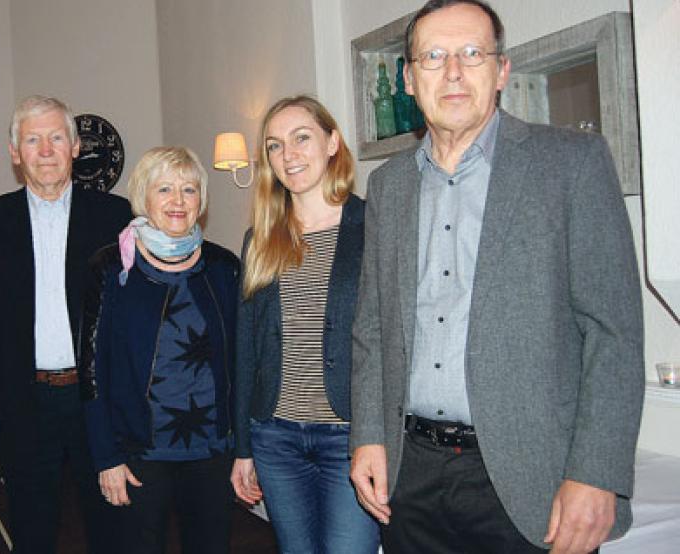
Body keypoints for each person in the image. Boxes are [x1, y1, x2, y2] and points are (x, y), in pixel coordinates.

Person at [348, 2, 644, 553]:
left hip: (535, 479)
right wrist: (368, 436)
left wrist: (598, 472)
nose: (453, 71)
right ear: (410, 79)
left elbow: (615, 333)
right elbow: (372, 328)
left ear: (502, 70)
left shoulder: (571, 163)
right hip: (411, 477)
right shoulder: (388, 188)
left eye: (471, 53)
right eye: (433, 56)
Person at [0, 95, 131, 553]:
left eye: (57, 137)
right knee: (33, 533)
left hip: (96, 400)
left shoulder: (117, 216)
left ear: (75, 146)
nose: (46, 149)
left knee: (112, 529)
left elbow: (132, 319)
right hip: (24, 405)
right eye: (32, 140)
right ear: (15, 152)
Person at [230, 95, 380, 553]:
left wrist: (383, 438)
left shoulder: (372, 224)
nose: (288, 155)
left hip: (350, 436)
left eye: (301, 138)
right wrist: (242, 447)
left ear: (332, 142)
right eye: (274, 146)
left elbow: (390, 338)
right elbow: (246, 348)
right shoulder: (261, 238)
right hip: (276, 437)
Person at [79, 147, 239, 554]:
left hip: (212, 451)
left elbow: (242, 362)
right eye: (164, 188)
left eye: (189, 189)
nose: (178, 201)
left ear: (201, 199)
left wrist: (245, 449)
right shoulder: (110, 268)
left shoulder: (224, 267)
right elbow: (92, 371)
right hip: (139, 454)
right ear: (143, 197)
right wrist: (105, 457)